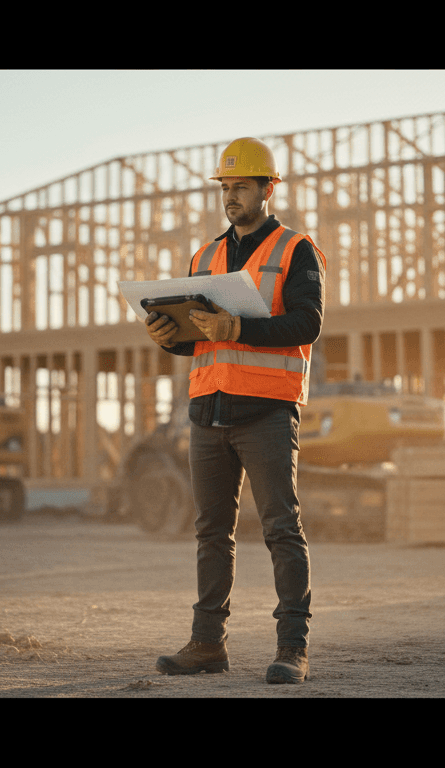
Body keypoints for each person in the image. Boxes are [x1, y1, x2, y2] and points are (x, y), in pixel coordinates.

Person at [146, 137, 327, 684]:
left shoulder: (295, 251)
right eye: (225, 187)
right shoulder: (205, 257)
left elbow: (307, 324)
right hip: (209, 409)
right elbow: (200, 340)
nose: (231, 196)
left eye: (241, 186)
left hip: (268, 411)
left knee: (280, 527)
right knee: (210, 532)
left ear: (267, 189)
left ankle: (292, 648)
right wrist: (169, 336)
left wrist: (240, 327)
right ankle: (207, 645)